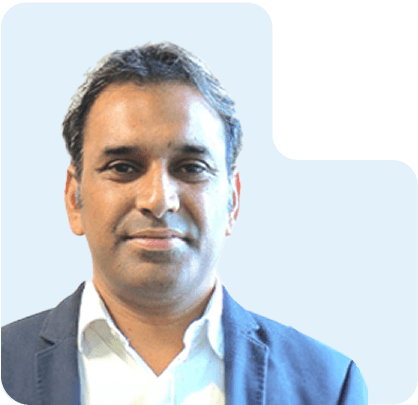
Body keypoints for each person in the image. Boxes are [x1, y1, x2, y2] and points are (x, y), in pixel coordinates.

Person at [1, 42, 368, 405]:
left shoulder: (328, 388)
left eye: (191, 168)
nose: (158, 200)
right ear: (73, 198)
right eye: (123, 167)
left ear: (233, 201)